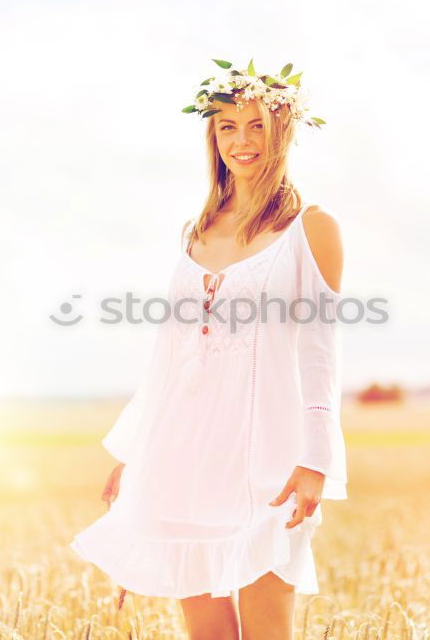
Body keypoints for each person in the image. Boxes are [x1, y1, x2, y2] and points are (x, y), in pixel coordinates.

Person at [70, 59, 347, 640]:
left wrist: (317, 458)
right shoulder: (197, 231)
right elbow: (168, 356)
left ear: (283, 132)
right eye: (227, 127)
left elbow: (320, 348)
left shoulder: (310, 227)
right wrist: (135, 450)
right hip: (183, 453)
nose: (241, 142)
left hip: (265, 457)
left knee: (269, 628)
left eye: (255, 126)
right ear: (212, 137)